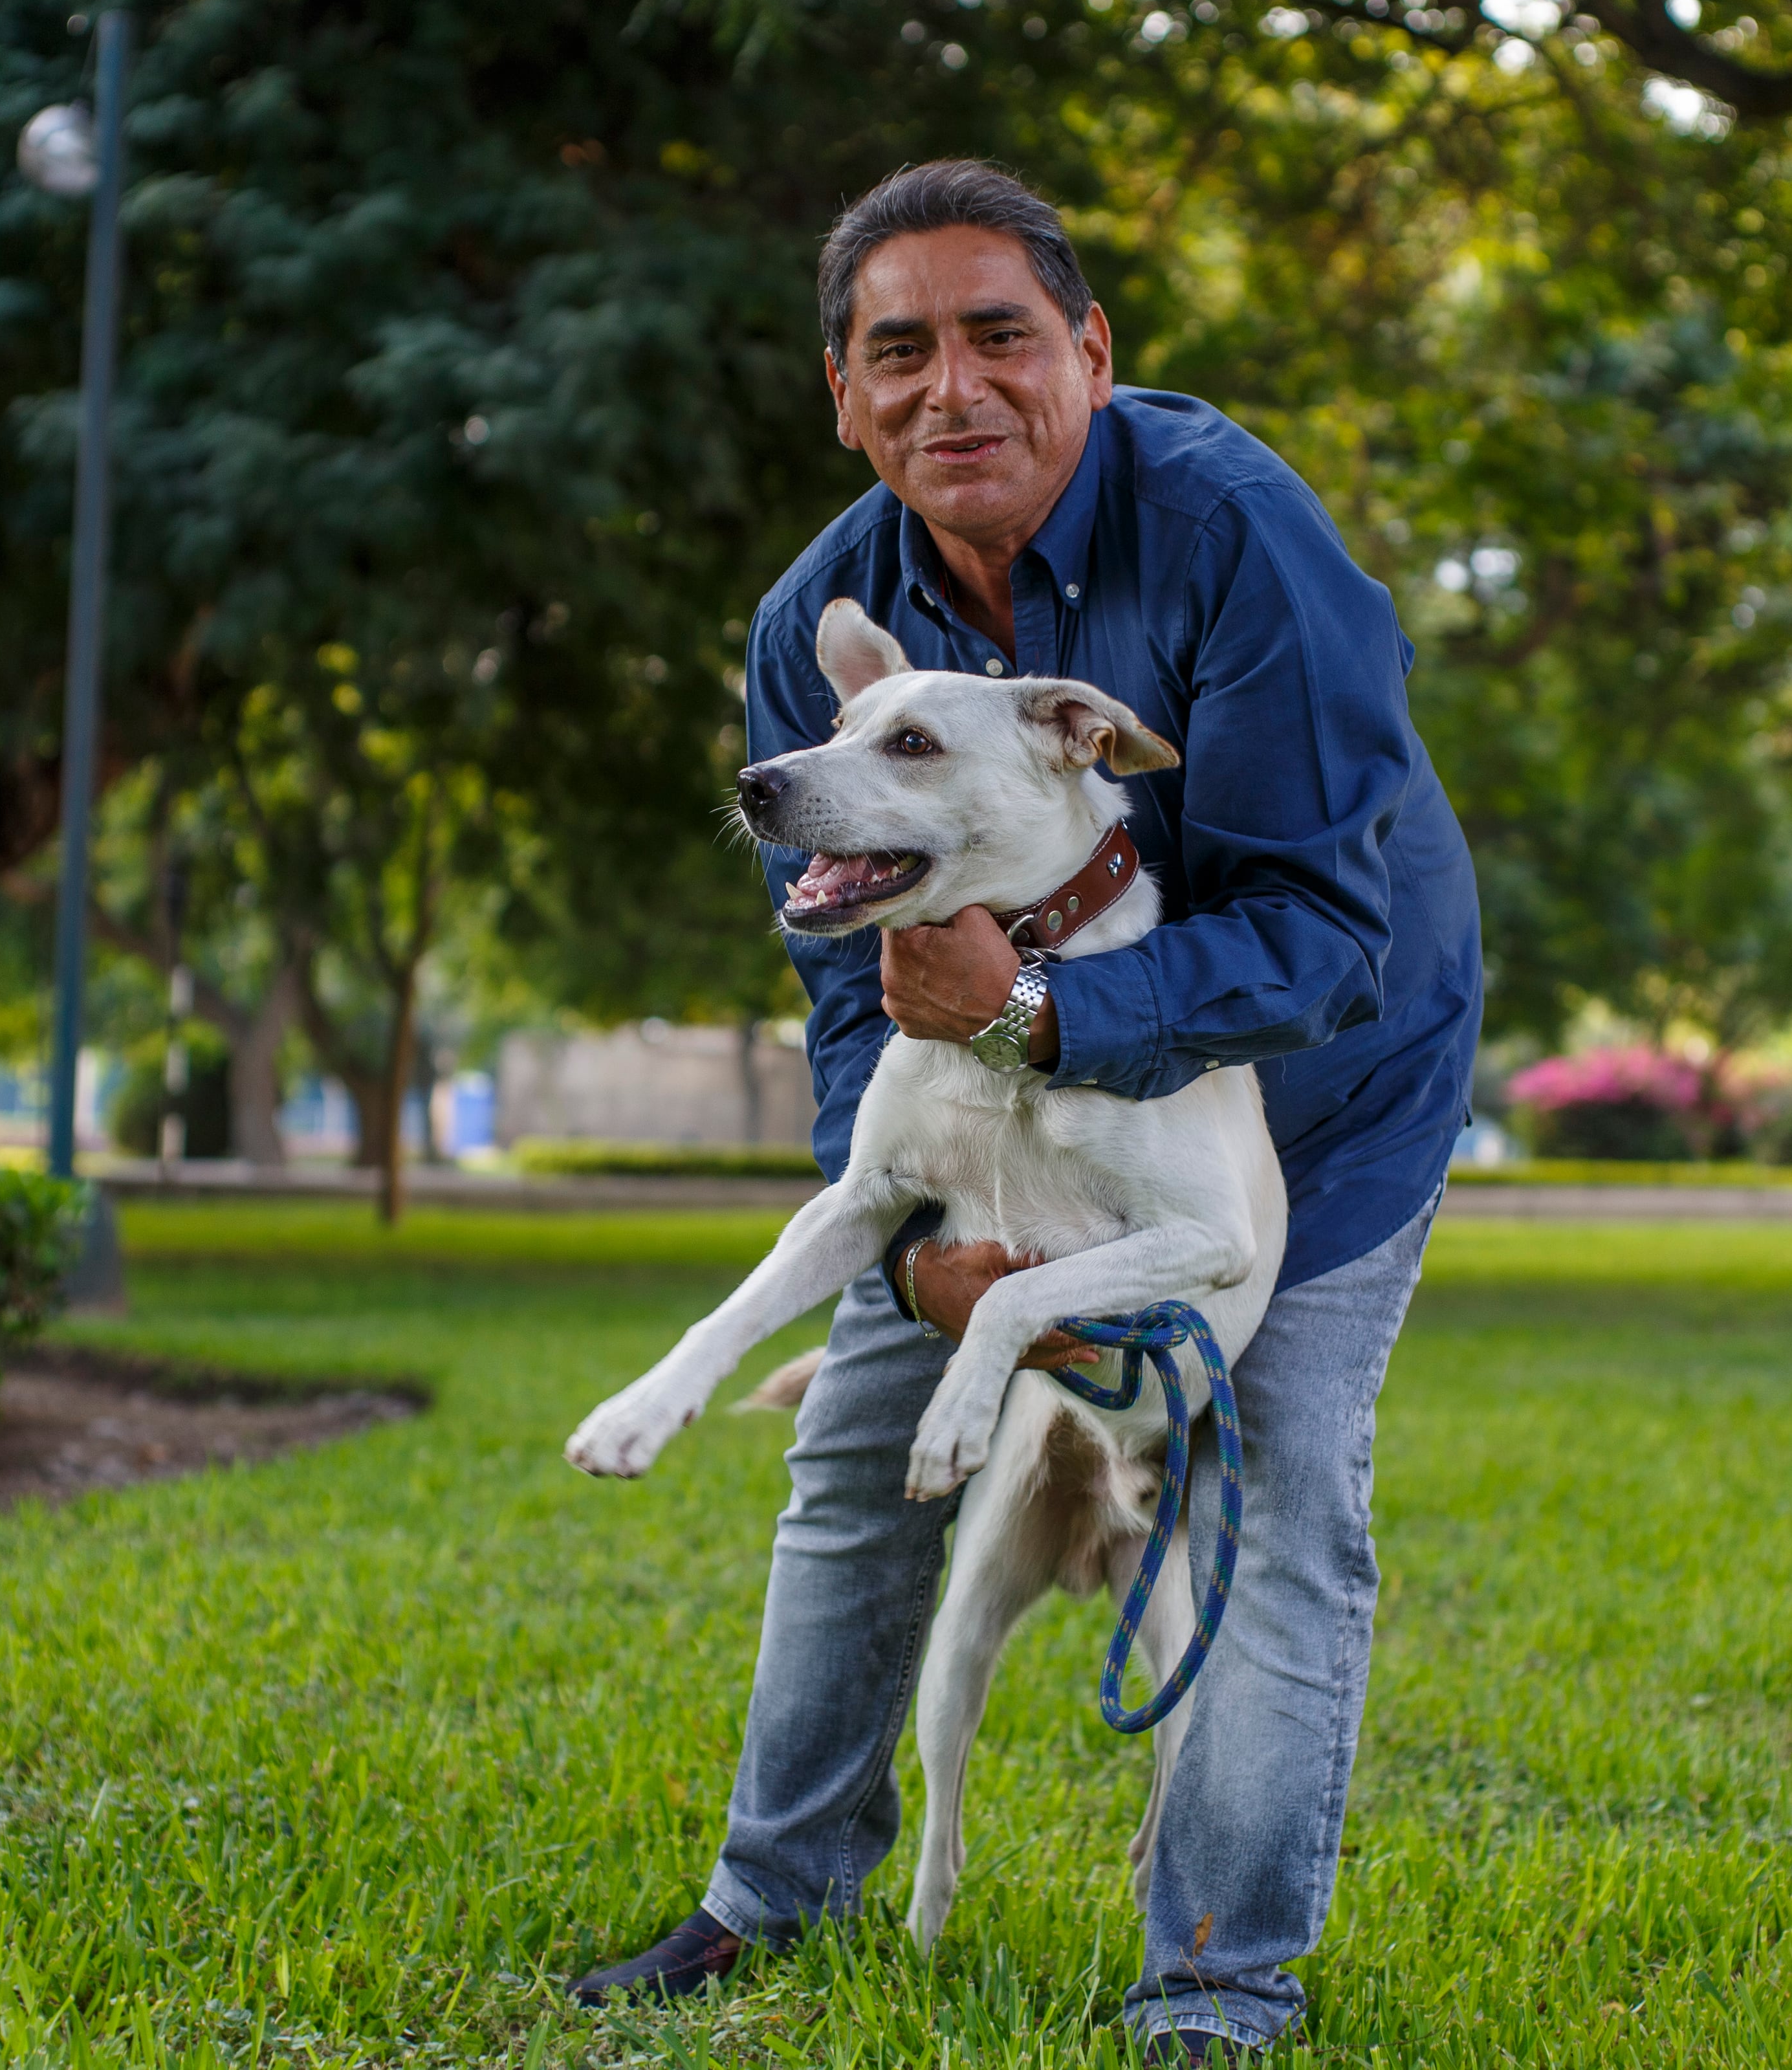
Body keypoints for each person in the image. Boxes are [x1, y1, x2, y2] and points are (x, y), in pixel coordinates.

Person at [569, 159, 1483, 2061]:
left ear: (1089, 349)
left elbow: (1327, 934)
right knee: (854, 1457)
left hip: (1319, 1085)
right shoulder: (818, 614)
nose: (950, 388)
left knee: (1268, 1477)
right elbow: (848, 977)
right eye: (897, 351)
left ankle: (1216, 1989)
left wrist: (1054, 1013)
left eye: (1000, 335)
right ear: (842, 388)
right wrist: (915, 1229)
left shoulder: (1232, 534)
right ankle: (777, 1895)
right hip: (990, 1102)